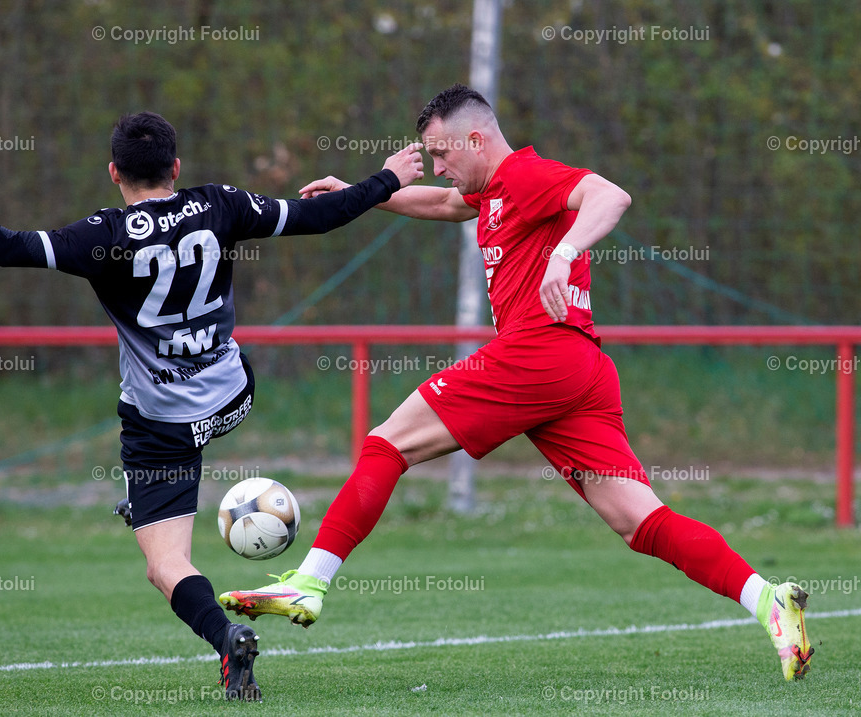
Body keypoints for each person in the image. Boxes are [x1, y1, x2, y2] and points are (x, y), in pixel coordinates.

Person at [219, 85, 813, 682]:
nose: (442, 168)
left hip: (537, 354)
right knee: (640, 521)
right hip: (579, 369)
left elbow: (610, 195)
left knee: (386, 444)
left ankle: (309, 583)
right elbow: (446, 205)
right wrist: (365, 196)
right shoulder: (493, 191)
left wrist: (566, 252)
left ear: (476, 139)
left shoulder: (526, 175)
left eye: (444, 153)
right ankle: (767, 599)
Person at [0, 112, 425, 701]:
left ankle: (223, 635)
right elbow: (319, 216)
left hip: (160, 426)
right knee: (199, 403)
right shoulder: (220, 205)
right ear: (177, 168)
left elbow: (5, 248)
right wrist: (385, 179)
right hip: (235, 395)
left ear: (114, 172)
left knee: (165, 566)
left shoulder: (99, 236)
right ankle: (146, 500)